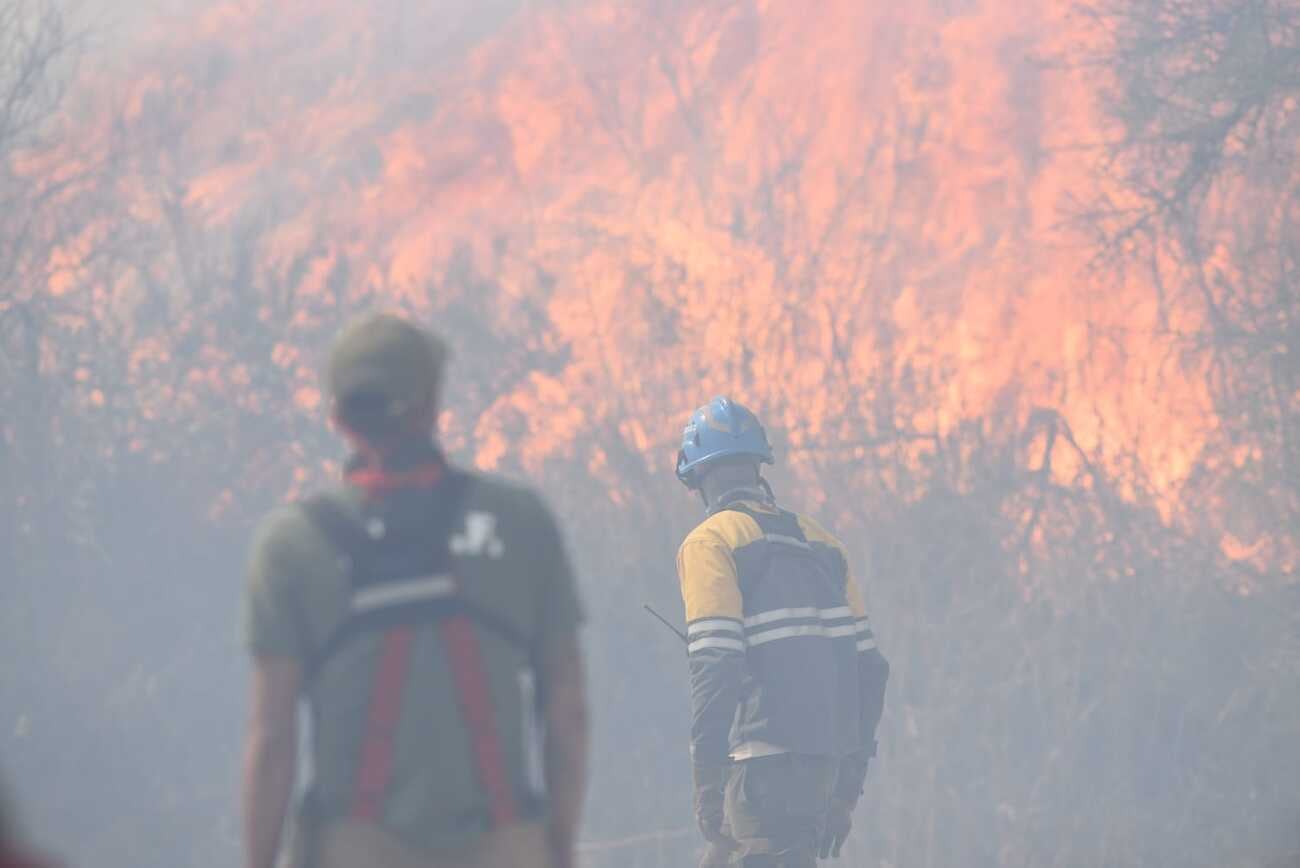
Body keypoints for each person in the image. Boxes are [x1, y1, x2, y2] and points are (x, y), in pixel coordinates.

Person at [242, 313, 588, 868]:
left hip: (353, 849)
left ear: (338, 418)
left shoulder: (291, 545)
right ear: (432, 405)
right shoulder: (520, 522)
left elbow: (272, 739)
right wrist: (558, 844)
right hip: (504, 846)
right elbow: (566, 707)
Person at [674, 397, 889, 868]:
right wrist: (845, 793)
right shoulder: (823, 543)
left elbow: (716, 667)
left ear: (697, 478)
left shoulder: (710, 542)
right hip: (823, 770)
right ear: (758, 467)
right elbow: (871, 671)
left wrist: (706, 782)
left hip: (761, 770)